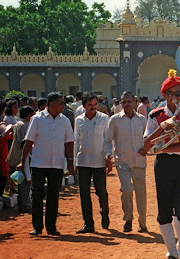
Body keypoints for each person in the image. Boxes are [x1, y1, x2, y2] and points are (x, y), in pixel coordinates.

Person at [141, 70, 180, 259]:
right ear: (164, 95)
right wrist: (162, 128)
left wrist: (166, 148)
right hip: (164, 165)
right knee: (164, 210)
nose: (175, 97)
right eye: (171, 93)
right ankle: (171, 254)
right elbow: (146, 145)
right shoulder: (155, 115)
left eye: (178, 93)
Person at [20, 92, 75, 236]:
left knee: (53, 196)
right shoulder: (37, 119)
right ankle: (37, 227)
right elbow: (29, 141)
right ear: (52, 104)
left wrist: (70, 161)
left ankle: (51, 227)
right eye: (61, 103)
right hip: (39, 163)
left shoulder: (65, 121)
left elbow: (69, 142)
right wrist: (23, 161)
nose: (64, 106)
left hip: (56, 164)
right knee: (37, 195)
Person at [105, 91, 148, 233]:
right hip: (122, 161)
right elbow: (108, 140)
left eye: (129, 101)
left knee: (141, 193)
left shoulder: (142, 119)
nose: (127, 104)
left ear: (134, 102)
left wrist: (147, 148)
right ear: (121, 103)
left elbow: (148, 138)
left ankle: (142, 223)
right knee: (127, 189)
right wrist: (108, 155)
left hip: (139, 161)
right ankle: (128, 219)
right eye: (124, 102)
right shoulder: (115, 120)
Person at [74, 92, 113, 233]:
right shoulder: (79, 120)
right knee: (84, 194)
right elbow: (76, 141)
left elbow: (108, 140)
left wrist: (109, 157)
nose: (93, 107)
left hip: (99, 162)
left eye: (95, 104)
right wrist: (75, 162)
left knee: (101, 192)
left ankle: (104, 214)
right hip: (83, 161)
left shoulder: (104, 119)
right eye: (90, 105)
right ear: (83, 106)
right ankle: (88, 224)